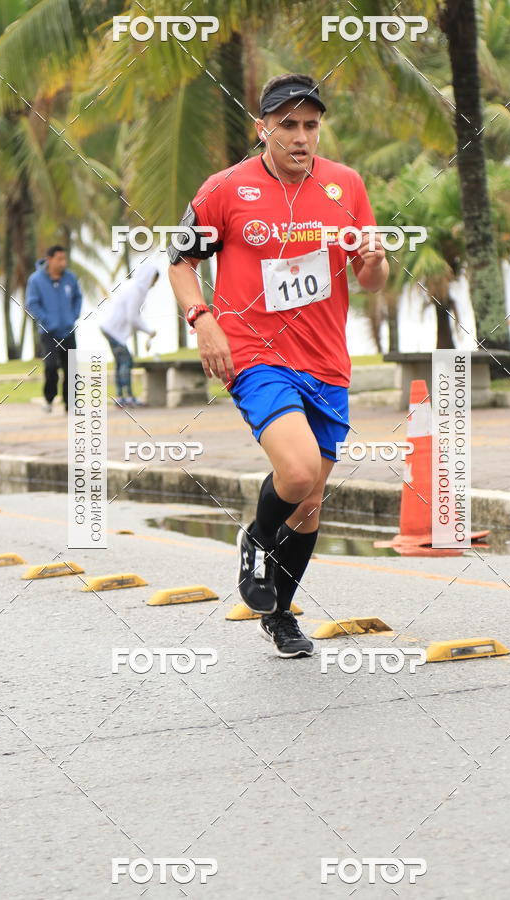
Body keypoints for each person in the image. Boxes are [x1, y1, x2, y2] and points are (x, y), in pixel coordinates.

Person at [168, 73, 388, 658]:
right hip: (257, 354)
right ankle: (256, 543)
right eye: (286, 125)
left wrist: (373, 261)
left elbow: (370, 281)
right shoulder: (226, 189)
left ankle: (281, 614)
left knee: (311, 502)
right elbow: (180, 262)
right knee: (295, 473)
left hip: (327, 362)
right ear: (262, 127)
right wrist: (202, 320)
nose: (299, 137)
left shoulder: (346, 186)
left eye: (310, 125)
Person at [26, 245, 83, 412]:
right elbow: (32, 303)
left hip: (68, 330)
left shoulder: (70, 278)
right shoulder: (36, 280)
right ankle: (49, 399)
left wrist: (73, 316)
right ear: (49, 259)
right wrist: (46, 320)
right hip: (48, 333)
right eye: (59, 259)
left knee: (71, 368)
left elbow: (77, 298)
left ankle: (70, 404)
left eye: (64, 259)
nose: (63, 262)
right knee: (51, 367)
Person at [99, 262, 158, 407]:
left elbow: (132, 317)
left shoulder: (133, 287)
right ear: (148, 277)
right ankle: (128, 397)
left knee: (121, 362)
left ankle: (121, 397)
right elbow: (132, 317)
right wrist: (149, 331)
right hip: (114, 330)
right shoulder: (136, 290)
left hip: (110, 329)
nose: (154, 284)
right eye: (153, 280)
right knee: (126, 361)